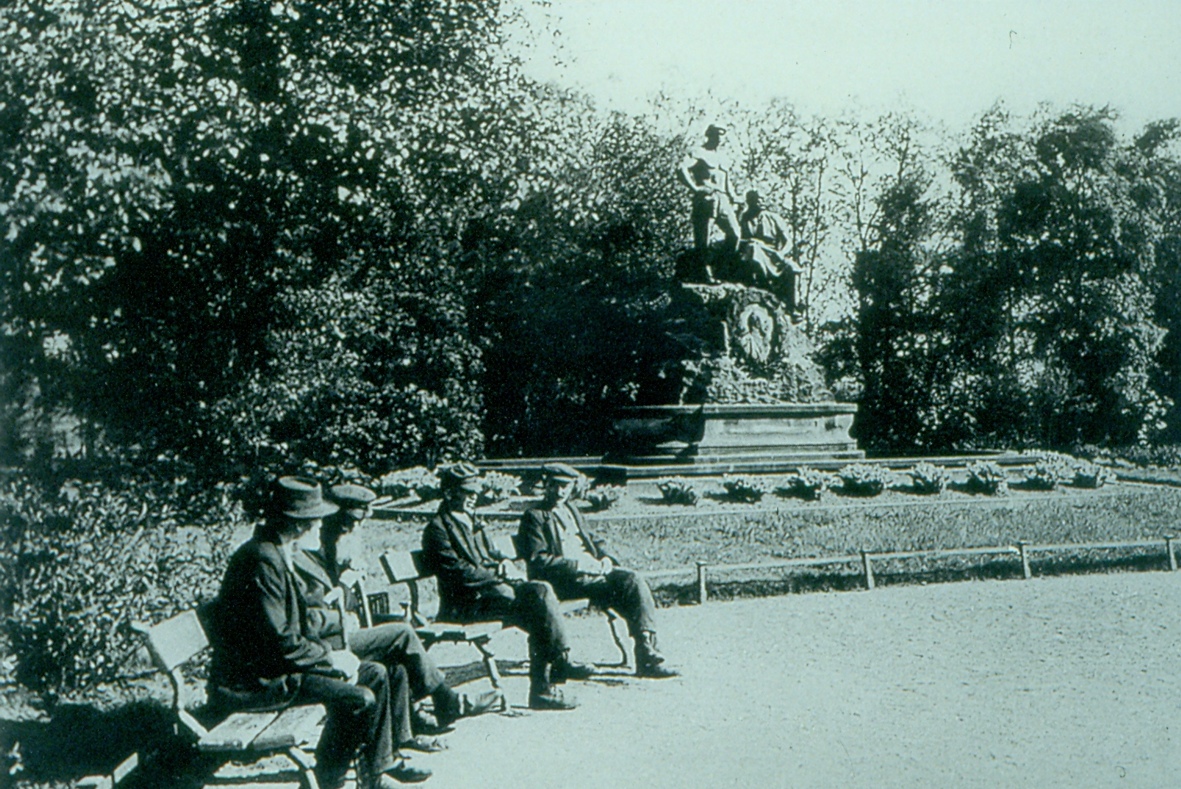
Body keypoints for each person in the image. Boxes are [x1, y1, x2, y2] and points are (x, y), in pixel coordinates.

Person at [206, 476, 430, 788]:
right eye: (317, 520)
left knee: (378, 673)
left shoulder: (274, 551)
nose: (321, 526)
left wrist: (335, 655)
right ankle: (330, 779)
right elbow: (280, 641)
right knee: (358, 698)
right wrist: (330, 659)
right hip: (256, 682)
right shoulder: (262, 560)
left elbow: (292, 629)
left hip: (276, 668)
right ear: (299, 523)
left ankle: (375, 774)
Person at [291, 483, 502, 740]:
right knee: (401, 634)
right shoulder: (309, 558)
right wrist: (345, 584)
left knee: (398, 642)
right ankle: (447, 700)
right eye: (350, 525)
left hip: (340, 632)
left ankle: (406, 732)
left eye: (359, 525)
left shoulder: (333, 549)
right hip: (327, 644)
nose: (355, 531)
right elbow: (317, 613)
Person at [420, 462, 592, 711]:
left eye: (475, 491)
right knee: (539, 605)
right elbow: (459, 573)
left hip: (492, 595)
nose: (473, 497)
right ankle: (547, 682)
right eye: (467, 492)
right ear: (449, 493)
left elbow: (493, 553)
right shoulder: (437, 529)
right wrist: (497, 575)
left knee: (540, 592)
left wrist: (505, 563)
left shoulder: (473, 520)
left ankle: (549, 679)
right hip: (466, 604)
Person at [517, 463, 678, 679]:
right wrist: (579, 565)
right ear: (546, 486)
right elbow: (539, 560)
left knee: (632, 580)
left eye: (565, 486)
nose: (559, 492)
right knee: (623, 586)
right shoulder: (534, 516)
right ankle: (562, 661)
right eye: (554, 486)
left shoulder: (571, 509)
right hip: (562, 583)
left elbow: (592, 539)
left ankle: (647, 654)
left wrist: (605, 558)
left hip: (592, 575)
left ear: (572, 487)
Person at [677, 124, 742, 259]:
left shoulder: (723, 157)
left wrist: (734, 196)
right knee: (703, 237)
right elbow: (681, 168)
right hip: (707, 198)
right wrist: (695, 188)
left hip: (723, 199)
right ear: (709, 135)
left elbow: (726, 180)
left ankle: (723, 267)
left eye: (722, 135)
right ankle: (704, 271)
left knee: (735, 234)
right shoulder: (699, 152)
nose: (719, 138)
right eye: (716, 134)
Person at [739, 189, 805, 311]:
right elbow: (737, 239)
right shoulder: (743, 219)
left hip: (773, 255)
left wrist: (781, 252)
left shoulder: (774, 218)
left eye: (762, 199)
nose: (760, 202)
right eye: (756, 200)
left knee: (792, 268)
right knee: (753, 248)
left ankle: (793, 306)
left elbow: (788, 242)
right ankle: (762, 285)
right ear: (749, 201)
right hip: (750, 252)